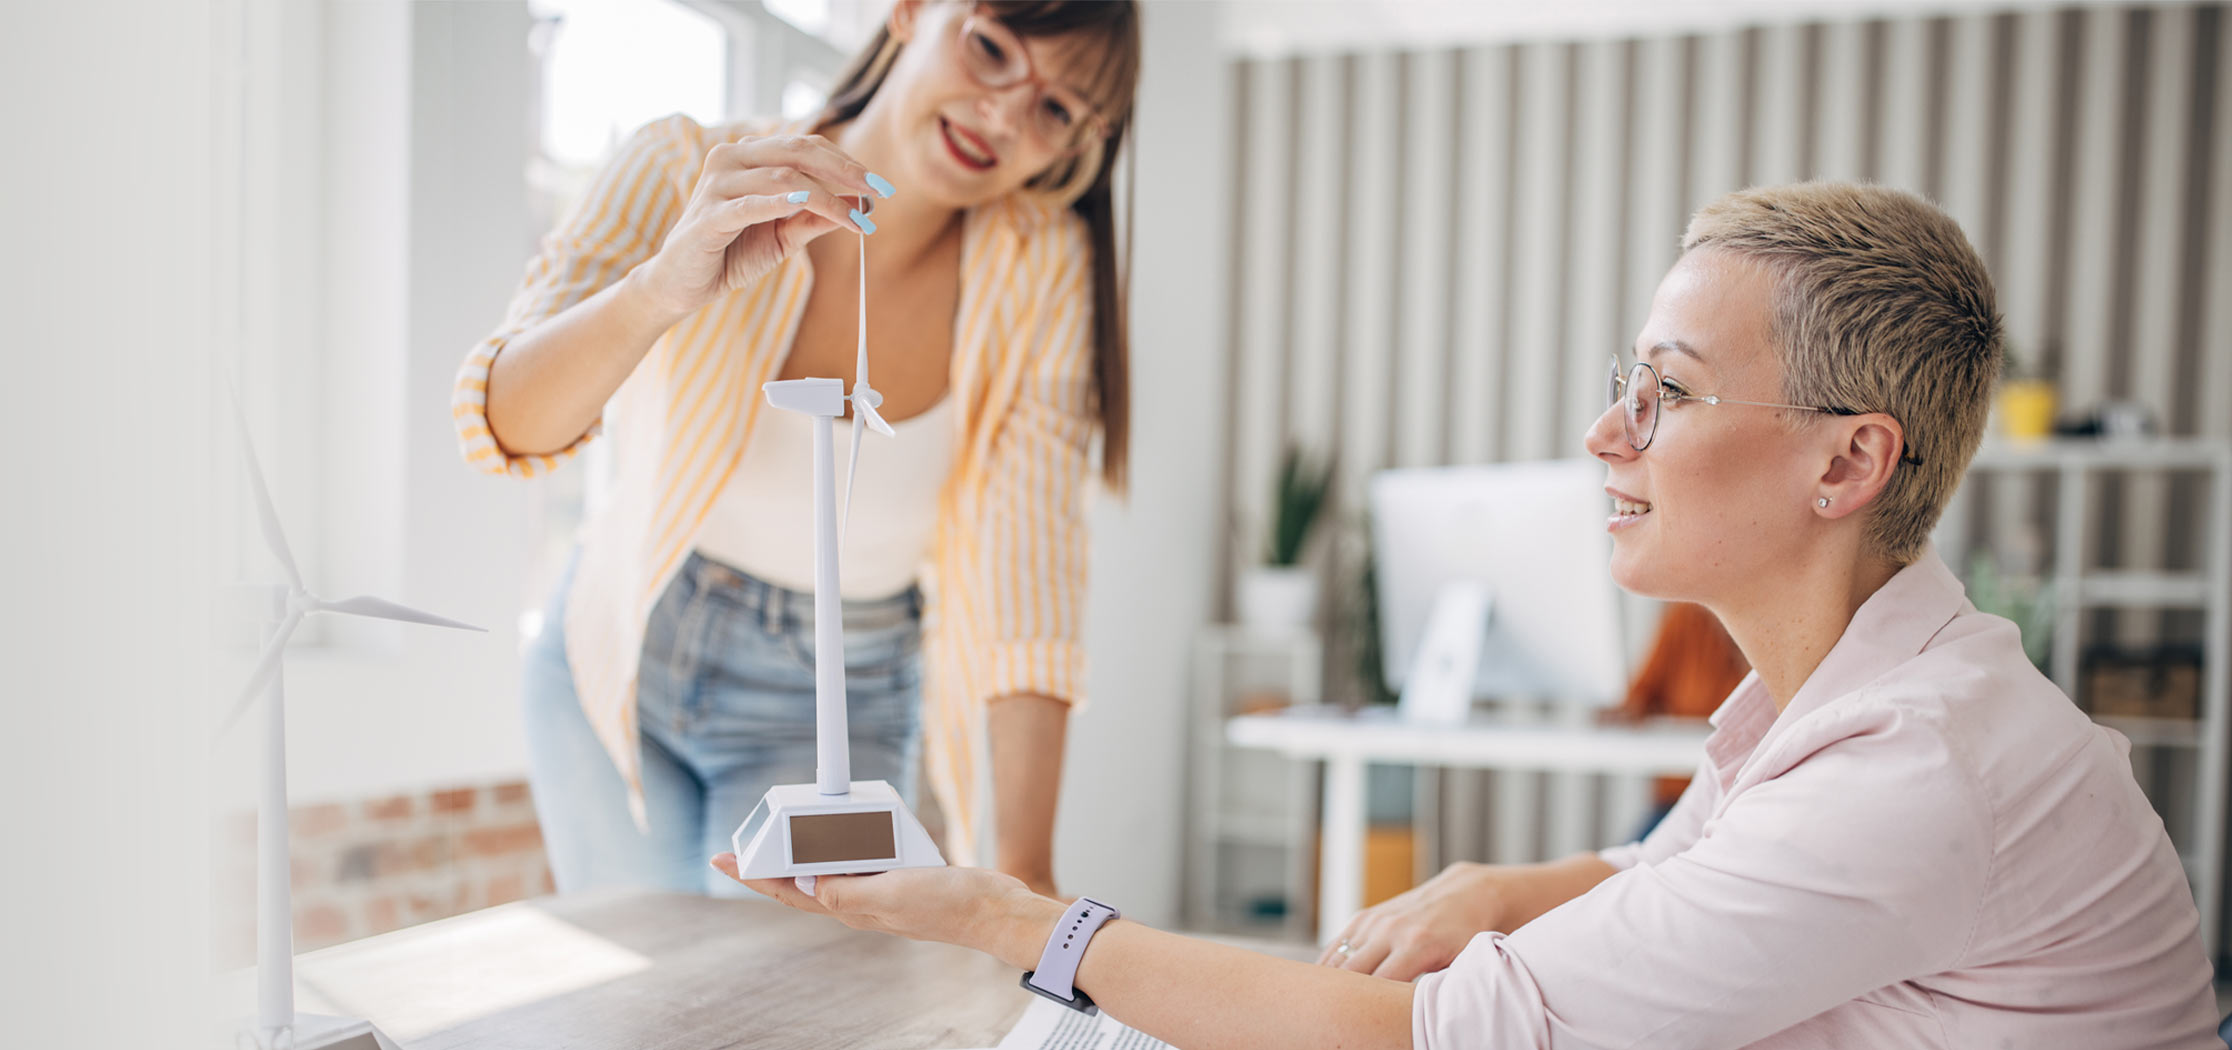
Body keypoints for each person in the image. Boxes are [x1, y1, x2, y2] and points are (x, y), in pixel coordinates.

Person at [719, 183, 2226, 1048]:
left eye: (1669, 389)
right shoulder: (1859, 693)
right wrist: (1503, 884)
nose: (1604, 430)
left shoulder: (1908, 773)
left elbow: (1419, 1044)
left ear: (1849, 459)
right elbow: (1668, 866)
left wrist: (998, 913)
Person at [451, 0, 1141, 899]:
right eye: (991, 48)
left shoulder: (1042, 269)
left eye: (1055, 110)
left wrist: (1026, 870)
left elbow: (1032, 563)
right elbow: (506, 427)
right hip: (624, 651)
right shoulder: (682, 168)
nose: (1007, 113)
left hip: (833, 708)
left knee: (782, 1019)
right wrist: (662, 287)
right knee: (641, 1021)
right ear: (911, 12)